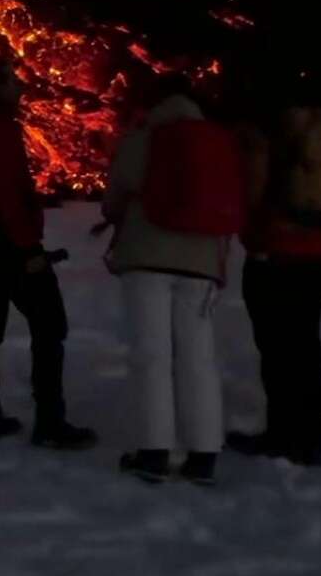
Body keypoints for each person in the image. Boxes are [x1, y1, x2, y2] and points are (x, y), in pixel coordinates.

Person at [0, 56, 97, 449]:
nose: (20, 87)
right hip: (7, 242)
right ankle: (50, 420)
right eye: (13, 80)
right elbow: (4, 191)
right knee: (49, 323)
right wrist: (26, 243)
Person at [101, 76, 237, 484]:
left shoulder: (145, 135)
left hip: (148, 256)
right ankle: (204, 454)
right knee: (199, 360)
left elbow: (117, 193)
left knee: (152, 356)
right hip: (202, 260)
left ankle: (155, 452)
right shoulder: (217, 139)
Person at [228, 105, 321, 466]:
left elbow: (253, 189)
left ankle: (289, 434)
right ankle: (312, 423)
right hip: (319, 252)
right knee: (304, 339)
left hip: (277, 253)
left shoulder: (270, 131)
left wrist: (247, 230)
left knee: (279, 347)